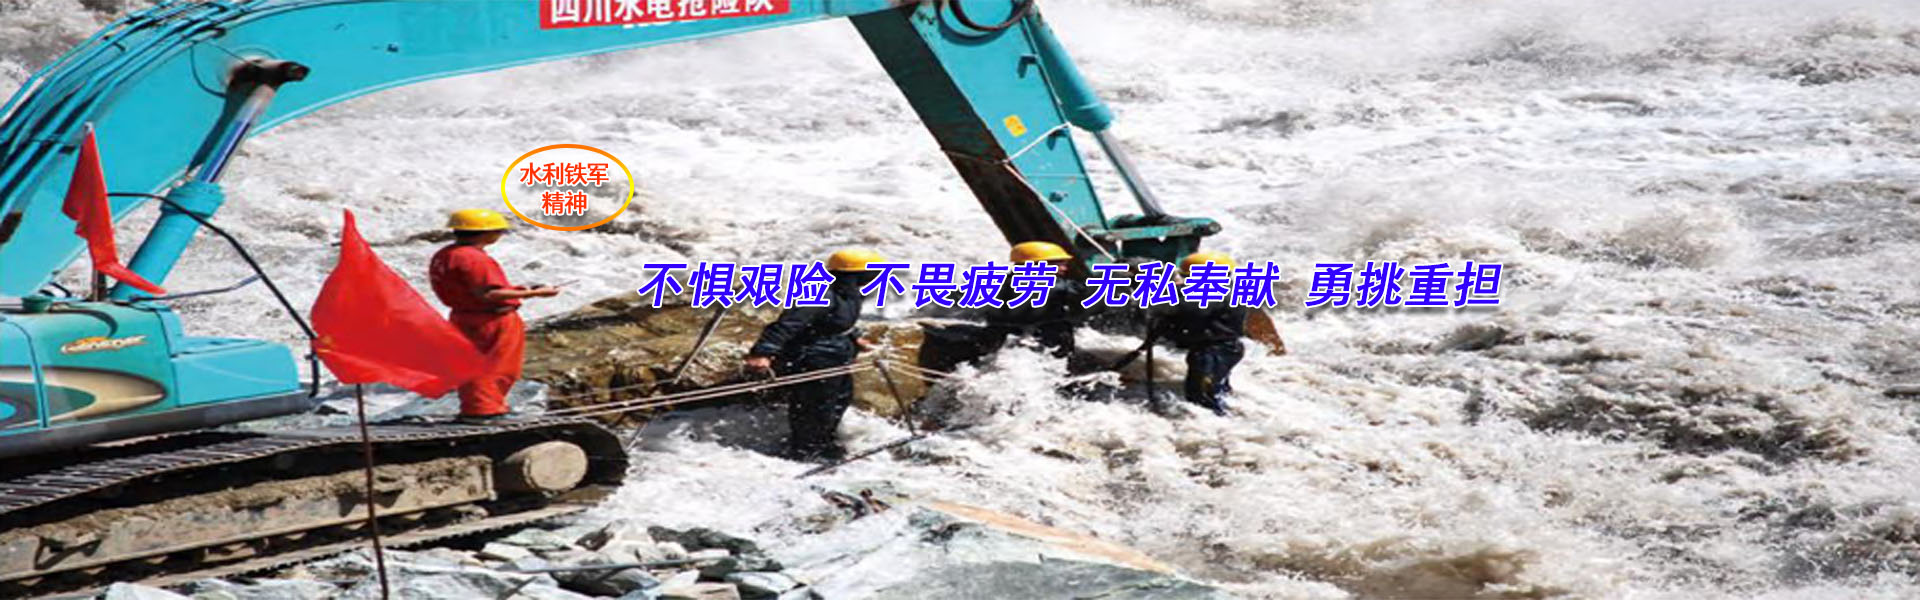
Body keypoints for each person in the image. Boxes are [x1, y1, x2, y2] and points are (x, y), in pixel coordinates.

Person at [743, 249, 881, 461]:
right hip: (813, 356)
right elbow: (786, 325)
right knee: (815, 405)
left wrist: (855, 338)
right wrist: (763, 353)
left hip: (836, 354)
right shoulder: (819, 294)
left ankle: (823, 442)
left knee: (840, 399)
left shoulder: (850, 293)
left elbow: (836, 321)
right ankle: (805, 450)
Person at [428, 208, 561, 422]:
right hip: (490, 319)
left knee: (471, 364)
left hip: (463, 316)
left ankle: (479, 408)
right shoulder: (474, 258)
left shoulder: (445, 255)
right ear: (486, 233)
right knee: (495, 367)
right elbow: (489, 294)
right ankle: (485, 411)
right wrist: (536, 293)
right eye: (499, 231)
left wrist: (519, 289)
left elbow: (472, 289)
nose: (500, 235)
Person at [1121, 251, 1246, 416]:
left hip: (1212, 353)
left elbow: (1165, 306)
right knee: (1215, 390)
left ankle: (1219, 423)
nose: (1183, 280)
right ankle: (1230, 416)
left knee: (1201, 399)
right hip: (1223, 350)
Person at [985, 241, 1089, 362]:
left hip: (1002, 344)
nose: (1064, 268)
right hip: (1047, 347)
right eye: (1059, 264)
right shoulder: (1058, 286)